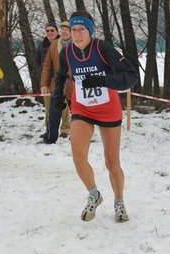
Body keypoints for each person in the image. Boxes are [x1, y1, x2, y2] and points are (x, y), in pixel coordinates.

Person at [54, 10, 138, 222]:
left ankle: (119, 202)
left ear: (90, 31)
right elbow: (61, 75)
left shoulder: (103, 48)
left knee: (112, 163)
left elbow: (130, 76)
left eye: (82, 29)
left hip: (108, 110)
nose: (77, 33)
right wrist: (58, 96)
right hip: (82, 109)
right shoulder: (66, 52)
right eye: (73, 29)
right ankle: (94, 194)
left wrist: (103, 81)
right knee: (78, 157)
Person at [40, 21, 73, 144]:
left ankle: (77, 136)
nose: (64, 31)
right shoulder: (54, 45)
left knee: (76, 113)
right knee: (53, 114)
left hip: (73, 85)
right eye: (62, 29)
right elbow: (47, 65)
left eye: (67, 29)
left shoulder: (78, 44)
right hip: (57, 84)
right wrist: (44, 83)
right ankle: (50, 137)